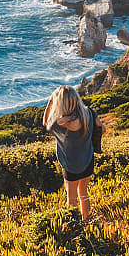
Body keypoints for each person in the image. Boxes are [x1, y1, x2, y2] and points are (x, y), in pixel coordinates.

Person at [43, 85, 104, 219]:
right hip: (88, 160)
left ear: (60, 103)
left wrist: (51, 102)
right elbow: (102, 128)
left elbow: (45, 122)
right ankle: (86, 221)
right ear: (76, 99)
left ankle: (75, 225)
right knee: (83, 193)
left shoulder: (58, 125)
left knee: (71, 200)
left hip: (71, 165)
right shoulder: (90, 113)